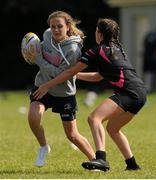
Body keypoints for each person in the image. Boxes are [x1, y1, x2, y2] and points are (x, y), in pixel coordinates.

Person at [32, 18, 147, 172]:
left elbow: (70, 70)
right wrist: (74, 76)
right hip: (140, 93)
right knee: (113, 128)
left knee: (94, 119)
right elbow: (98, 77)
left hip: (128, 92)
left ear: (99, 33)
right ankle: (132, 165)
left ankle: (101, 159)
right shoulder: (117, 49)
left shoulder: (97, 50)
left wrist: (47, 85)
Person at [24, 11, 95, 167]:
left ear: (68, 26)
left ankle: (95, 161)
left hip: (64, 92)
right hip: (42, 86)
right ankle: (44, 147)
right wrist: (31, 52)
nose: (55, 30)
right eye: (53, 26)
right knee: (33, 117)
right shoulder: (47, 35)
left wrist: (38, 60)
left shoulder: (73, 50)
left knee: (72, 135)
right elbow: (40, 50)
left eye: (60, 26)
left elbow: (61, 74)